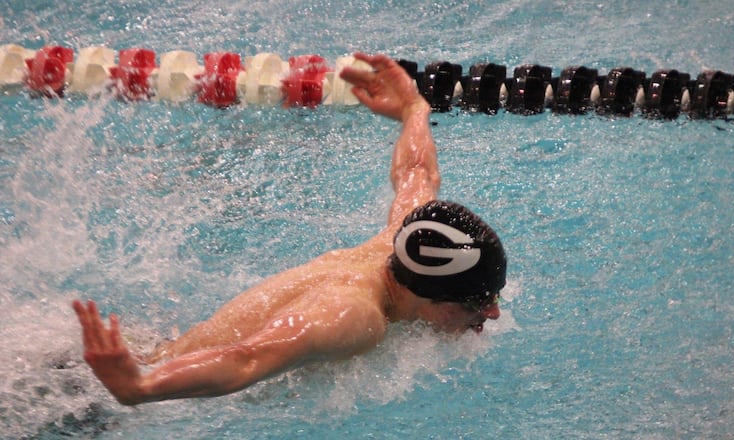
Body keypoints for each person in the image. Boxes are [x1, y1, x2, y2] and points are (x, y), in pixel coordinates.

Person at [73, 52, 507, 406]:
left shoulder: (398, 243)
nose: (492, 313)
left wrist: (414, 109)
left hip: (154, 355)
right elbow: (247, 359)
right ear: (434, 298)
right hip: (103, 393)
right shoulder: (353, 316)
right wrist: (140, 387)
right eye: (480, 301)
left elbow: (416, 173)